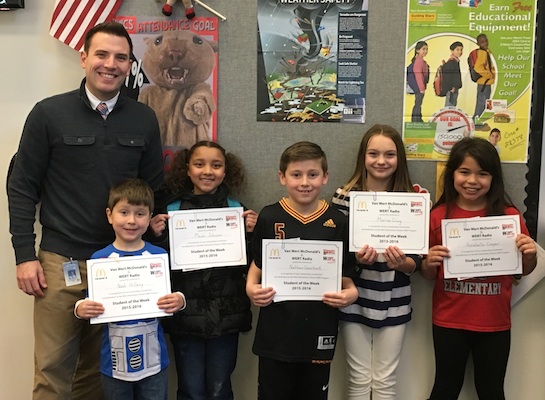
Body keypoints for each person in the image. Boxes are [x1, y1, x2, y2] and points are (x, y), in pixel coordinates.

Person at [7, 21, 164, 399]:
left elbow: (153, 188)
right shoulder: (48, 114)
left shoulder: (143, 118)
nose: (111, 64)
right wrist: (25, 256)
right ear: (84, 58)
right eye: (102, 54)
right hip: (60, 262)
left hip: (119, 265)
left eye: (121, 58)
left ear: (130, 65)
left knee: (98, 372)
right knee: (52, 368)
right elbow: (22, 186)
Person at [421, 137, 537, 399]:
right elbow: (427, 274)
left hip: (494, 322)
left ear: (493, 178)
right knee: (445, 388)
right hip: (449, 320)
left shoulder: (509, 217)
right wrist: (429, 262)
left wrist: (529, 253)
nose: (472, 181)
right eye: (464, 172)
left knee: (492, 390)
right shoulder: (439, 216)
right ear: (452, 175)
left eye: (482, 174)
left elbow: (525, 269)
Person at [246, 141, 359, 400]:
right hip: (276, 332)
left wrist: (350, 294)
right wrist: (251, 288)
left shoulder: (338, 221)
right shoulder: (269, 215)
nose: (305, 182)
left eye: (313, 174)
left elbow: (345, 276)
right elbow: (257, 264)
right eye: (296, 175)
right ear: (282, 177)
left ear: (325, 177)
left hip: (319, 329)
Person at [149, 141, 258, 400]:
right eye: (199, 164)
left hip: (226, 314)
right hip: (186, 315)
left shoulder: (236, 210)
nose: (207, 171)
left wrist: (251, 234)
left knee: (220, 388)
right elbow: (160, 265)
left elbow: (250, 265)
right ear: (187, 169)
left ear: (225, 171)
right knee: (191, 388)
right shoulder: (171, 210)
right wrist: (156, 236)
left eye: (216, 165)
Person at [331, 124, 421, 400]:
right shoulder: (343, 197)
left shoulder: (413, 199)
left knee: (384, 380)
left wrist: (402, 263)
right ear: (363, 156)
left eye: (389, 155)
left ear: (399, 159)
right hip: (354, 298)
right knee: (358, 377)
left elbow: (416, 260)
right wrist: (356, 261)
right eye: (373, 153)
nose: (381, 161)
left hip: (394, 298)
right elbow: (335, 251)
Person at [75, 178, 185, 399]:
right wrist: (80, 308)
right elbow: (89, 300)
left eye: (140, 213)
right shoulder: (100, 259)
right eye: (123, 212)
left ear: (149, 217)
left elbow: (174, 293)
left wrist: (179, 300)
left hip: (154, 362)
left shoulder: (159, 256)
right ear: (109, 215)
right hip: (113, 364)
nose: (131, 221)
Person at [472, 34, 495, 130]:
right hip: (484, 83)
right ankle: (477, 124)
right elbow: (478, 68)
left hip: (485, 83)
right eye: (482, 42)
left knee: (483, 103)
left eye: (486, 41)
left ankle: (477, 122)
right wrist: (489, 75)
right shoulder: (482, 53)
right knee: (481, 104)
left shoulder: (485, 52)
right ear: (478, 43)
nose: (485, 43)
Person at [410, 41, 429, 122]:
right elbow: (418, 75)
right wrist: (422, 88)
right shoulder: (419, 61)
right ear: (417, 50)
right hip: (419, 87)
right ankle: (416, 120)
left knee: (418, 103)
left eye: (426, 49)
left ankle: (418, 119)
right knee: (418, 104)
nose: (425, 51)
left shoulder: (421, 60)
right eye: (423, 49)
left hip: (420, 86)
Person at [443, 41, 463, 107]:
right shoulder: (451, 62)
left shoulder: (455, 61)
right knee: (449, 106)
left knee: (452, 105)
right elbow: (447, 76)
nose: (460, 52)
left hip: (454, 88)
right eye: (457, 50)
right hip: (451, 89)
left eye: (461, 50)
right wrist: (451, 87)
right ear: (452, 51)